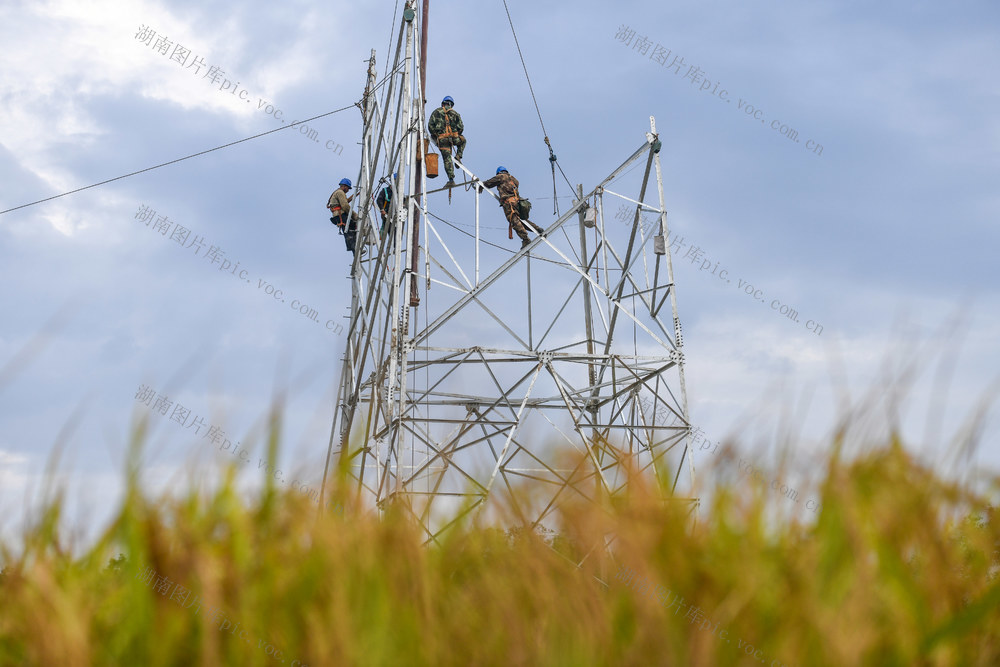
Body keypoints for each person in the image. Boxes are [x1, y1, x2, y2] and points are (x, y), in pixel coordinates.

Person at [478, 166, 543, 248]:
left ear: (499, 172)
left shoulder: (501, 177)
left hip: (509, 203)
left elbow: (489, 183)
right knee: (521, 220)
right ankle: (537, 229)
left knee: (514, 221)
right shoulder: (513, 179)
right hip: (516, 202)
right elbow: (517, 184)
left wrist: (481, 185)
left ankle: (525, 239)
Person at [428, 96, 465, 186]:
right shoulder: (455, 113)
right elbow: (461, 128)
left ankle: (451, 179)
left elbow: (430, 126)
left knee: (447, 159)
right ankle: (458, 155)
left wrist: (435, 135)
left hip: (442, 140)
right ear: (451, 105)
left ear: (442, 103)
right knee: (463, 140)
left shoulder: (436, 112)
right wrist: (456, 134)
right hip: (454, 138)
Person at [327, 178, 357, 253]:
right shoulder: (340, 192)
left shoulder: (337, 192)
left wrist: (354, 196)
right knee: (351, 228)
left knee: (349, 229)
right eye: (348, 188)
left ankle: (353, 248)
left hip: (337, 215)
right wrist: (354, 215)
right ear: (344, 186)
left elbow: (344, 202)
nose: (348, 190)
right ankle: (354, 248)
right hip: (340, 215)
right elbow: (345, 206)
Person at [376, 174, 397, 242]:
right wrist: (382, 209)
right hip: (386, 214)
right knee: (390, 230)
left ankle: (395, 246)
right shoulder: (385, 191)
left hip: (396, 215)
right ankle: (391, 245)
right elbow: (379, 200)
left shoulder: (399, 192)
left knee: (396, 232)